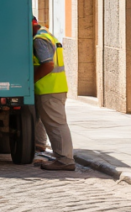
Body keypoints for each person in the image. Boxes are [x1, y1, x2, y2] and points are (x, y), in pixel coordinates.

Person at [32, 15, 75, 171]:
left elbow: (48, 64)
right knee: (49, 122)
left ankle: (65, 160)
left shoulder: (39, 39)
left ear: (32, 23)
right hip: (53, 88)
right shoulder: (46, 34)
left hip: (49, 89)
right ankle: (40, 147)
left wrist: (32, 80)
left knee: (56, 125)